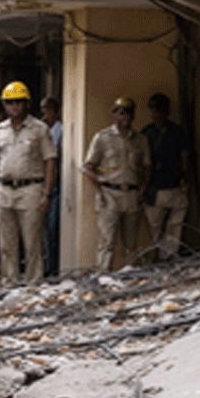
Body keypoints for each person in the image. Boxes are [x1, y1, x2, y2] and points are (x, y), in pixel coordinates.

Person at [0, 82, 56, 288]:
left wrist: (46, 194)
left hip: (31, 189)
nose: (14, 106)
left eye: (18, 102)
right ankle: (9, 283)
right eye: (9, 102)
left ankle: (33, 283)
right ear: (4, 106)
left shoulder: (40, 129)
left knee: (32, 242)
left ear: (26, 104)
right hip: (4, 190)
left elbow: (49, 161)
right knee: (6, 243)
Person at [83, 97, 151, 271]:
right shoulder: (102, 137)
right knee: (107, 242)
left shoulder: (140, 140)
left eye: (129, 112)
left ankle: (128, 279)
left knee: (131, 244)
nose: (125, 116)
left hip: (132, 194)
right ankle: (104, 276)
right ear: (115, 114)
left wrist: (142, 190)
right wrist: (99, 190)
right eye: (121, 112)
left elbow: (147, 167)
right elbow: (88, 167)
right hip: (110, 194)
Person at [142, 93, 191, 260]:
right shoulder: (147, 133)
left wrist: (183, 176)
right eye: (153, 109)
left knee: (173, 226)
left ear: (167, 111)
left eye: (159, 109)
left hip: (172, 184)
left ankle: (167, 258)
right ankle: (160, 258)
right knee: (156, 229)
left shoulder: (176, 132)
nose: (156, 113)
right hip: (154, 188)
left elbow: (185, 158)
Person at [40, 96, 63, 277]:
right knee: (42, 229)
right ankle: (45, 263)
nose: (44, 114)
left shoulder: (59, 131)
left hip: (55, 185)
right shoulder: (42, 129)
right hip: (40, 184)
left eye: (47, 109)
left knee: (53, 227)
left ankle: (52, 265)